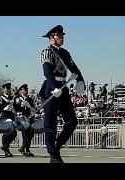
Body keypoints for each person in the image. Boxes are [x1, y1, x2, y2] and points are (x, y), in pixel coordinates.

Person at [39, 25, 86, 163]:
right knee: (50, 124)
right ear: (51, 38)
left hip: (63, 87)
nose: (62, 38)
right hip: (50, 89)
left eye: (62, 36)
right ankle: (53, 154)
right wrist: (54, 87)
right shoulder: (46, 52)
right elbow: (47, 71)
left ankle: (57, 146)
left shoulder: (65, 53)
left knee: (72, 121)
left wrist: (80, 80)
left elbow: (74, 68)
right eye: (59, 36)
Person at [0, 83, 17, 157]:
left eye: (8, 89)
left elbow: (16, 107)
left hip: (11, 116)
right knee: (6, 132)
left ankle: (5, 145)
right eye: (6, 89)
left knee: (14, 133)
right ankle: (6, 149)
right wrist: (3, 106)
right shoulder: (0, 98)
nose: (8, 90)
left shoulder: (12, 98)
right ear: (3, 90)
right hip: (4, 115)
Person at [15, 84, 35, 157]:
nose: (24, 91)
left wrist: (33, 111)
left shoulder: (30, 99)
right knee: (25, 134)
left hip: (29, 117)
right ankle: (27, 149)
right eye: (23, 90)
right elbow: (16, 108)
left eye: (26, 90)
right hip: (22, 118)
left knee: (30, 133)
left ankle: (23, 147)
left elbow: (33, 108)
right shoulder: (17, 98)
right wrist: (21, 105)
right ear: (20, 91)